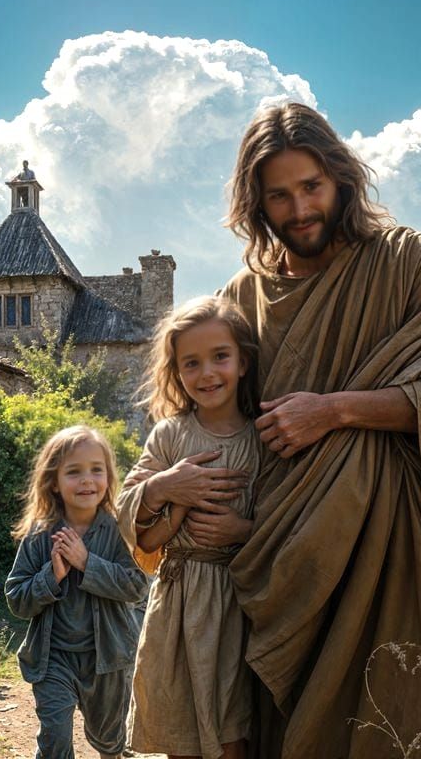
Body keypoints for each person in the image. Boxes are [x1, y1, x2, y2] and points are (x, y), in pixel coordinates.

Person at [198, 102, 421, 758]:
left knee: (406, 726)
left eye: (311, 186)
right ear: (255, 203)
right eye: (278, 196)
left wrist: (338, 409)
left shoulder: (415, 266)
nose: (300, 208)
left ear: (341, 177)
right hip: (291, 567)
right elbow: (214, 426)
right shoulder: (240, 303)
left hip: (410, 555)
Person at [116, 297, 260, 759]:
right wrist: (165, 486)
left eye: (220, 356)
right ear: (176, 372)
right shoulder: (170, 435)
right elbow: (126, 512)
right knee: (179, 729)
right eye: (190, 363)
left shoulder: (263, 439)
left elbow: (290, 520)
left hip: (238, 602)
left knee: (231, 729)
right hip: (177, 599)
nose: (207, 374)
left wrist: (243, 530)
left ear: (243, 361)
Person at [5, 426, 149, 759]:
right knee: (54, 741)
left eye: (96, 470)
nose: (87, 480)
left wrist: (87, 563)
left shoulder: (118, 530)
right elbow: (16, 600)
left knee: (110, 742)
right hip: (53, 658)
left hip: (109, 660)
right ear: (53, 482)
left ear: (109, 477)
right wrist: (50, 576)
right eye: (74, 471)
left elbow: (137, 586)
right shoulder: (39, 535)